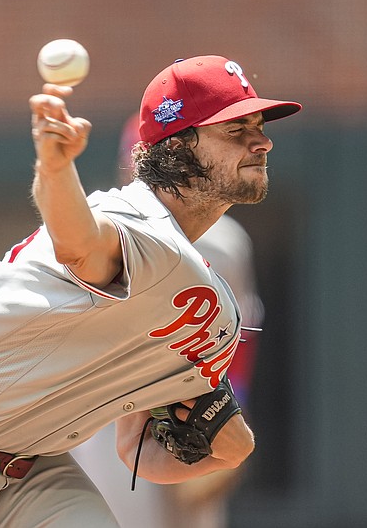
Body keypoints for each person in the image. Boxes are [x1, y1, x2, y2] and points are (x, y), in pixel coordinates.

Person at [0, 55, 301, 528]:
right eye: (235, 129)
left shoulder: (214, 309)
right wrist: (57, 170)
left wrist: (225, 450)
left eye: (259, 128)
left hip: (27, 471)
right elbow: (81, 244)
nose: (261, 142)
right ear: (176, 145)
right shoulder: (135, 222)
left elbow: (136, 450)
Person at [71, 113, 266, 528]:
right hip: (109, 411)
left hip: (195, 407)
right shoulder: (107, 226)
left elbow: (241, 338)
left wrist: (235, 413)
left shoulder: (225, 242)